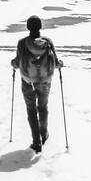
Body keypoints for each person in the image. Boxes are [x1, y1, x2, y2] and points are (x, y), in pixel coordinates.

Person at [12, 15, 62, 153]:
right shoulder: (48, 42)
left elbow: (17, 62)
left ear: (28, 27)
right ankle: (43, 134)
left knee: (31, 110)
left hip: (28, 82)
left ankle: (36, 142)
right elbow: (56, 62)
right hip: (45, 82)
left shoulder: (22, 43)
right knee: (43, 107)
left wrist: (13, 64)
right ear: (40, 27)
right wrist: (60, 64)